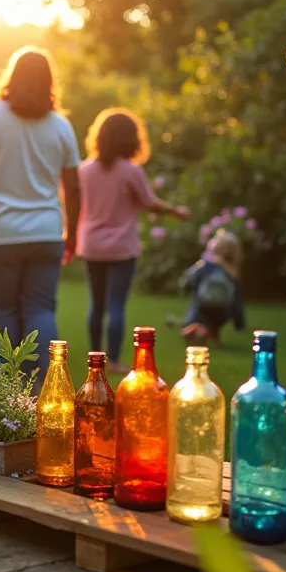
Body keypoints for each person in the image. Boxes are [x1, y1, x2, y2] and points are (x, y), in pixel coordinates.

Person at [0, 47, 81, 381]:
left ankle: (5, 395)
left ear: (12, 75)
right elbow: (74, 187)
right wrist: (73, 234)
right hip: (47, 233)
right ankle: (41, 392)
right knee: (41, 310)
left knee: (2, 313)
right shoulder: (61, 126)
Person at [77, 108, 190, 373]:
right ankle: (113, 361)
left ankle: (95, 358)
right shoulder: (131, 171)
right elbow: (150, 203)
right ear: (131, 139)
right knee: (116, 304)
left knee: (97, 303)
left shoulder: (84, 170)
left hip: (91, 245)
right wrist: (176, 211)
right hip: (121, 248)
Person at [179, 230, 246, 345]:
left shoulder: (206, 266)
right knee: (216, 321)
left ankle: (196, 328)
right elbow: (237, 300)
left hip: (202, 306)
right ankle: (213, 335)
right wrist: (239, 323)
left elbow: (189, 280)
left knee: (196, 301)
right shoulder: (233, 273)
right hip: (223, 310)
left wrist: (188, 289)